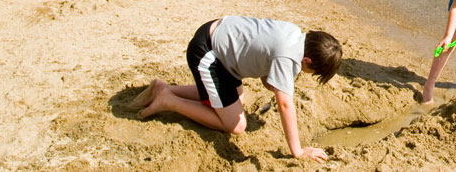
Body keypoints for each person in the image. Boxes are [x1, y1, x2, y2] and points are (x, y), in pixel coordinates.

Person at [131, 16, 342, 162]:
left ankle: (163, 88)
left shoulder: (294, 33)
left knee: (238, 99)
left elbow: (262, 57)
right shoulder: (288, 56)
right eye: (312, 72)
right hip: (208, 54)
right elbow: (285, 105)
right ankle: (169, 100)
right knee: (237, 125)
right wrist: (297, 151)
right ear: (307, 60)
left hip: (217, 37)